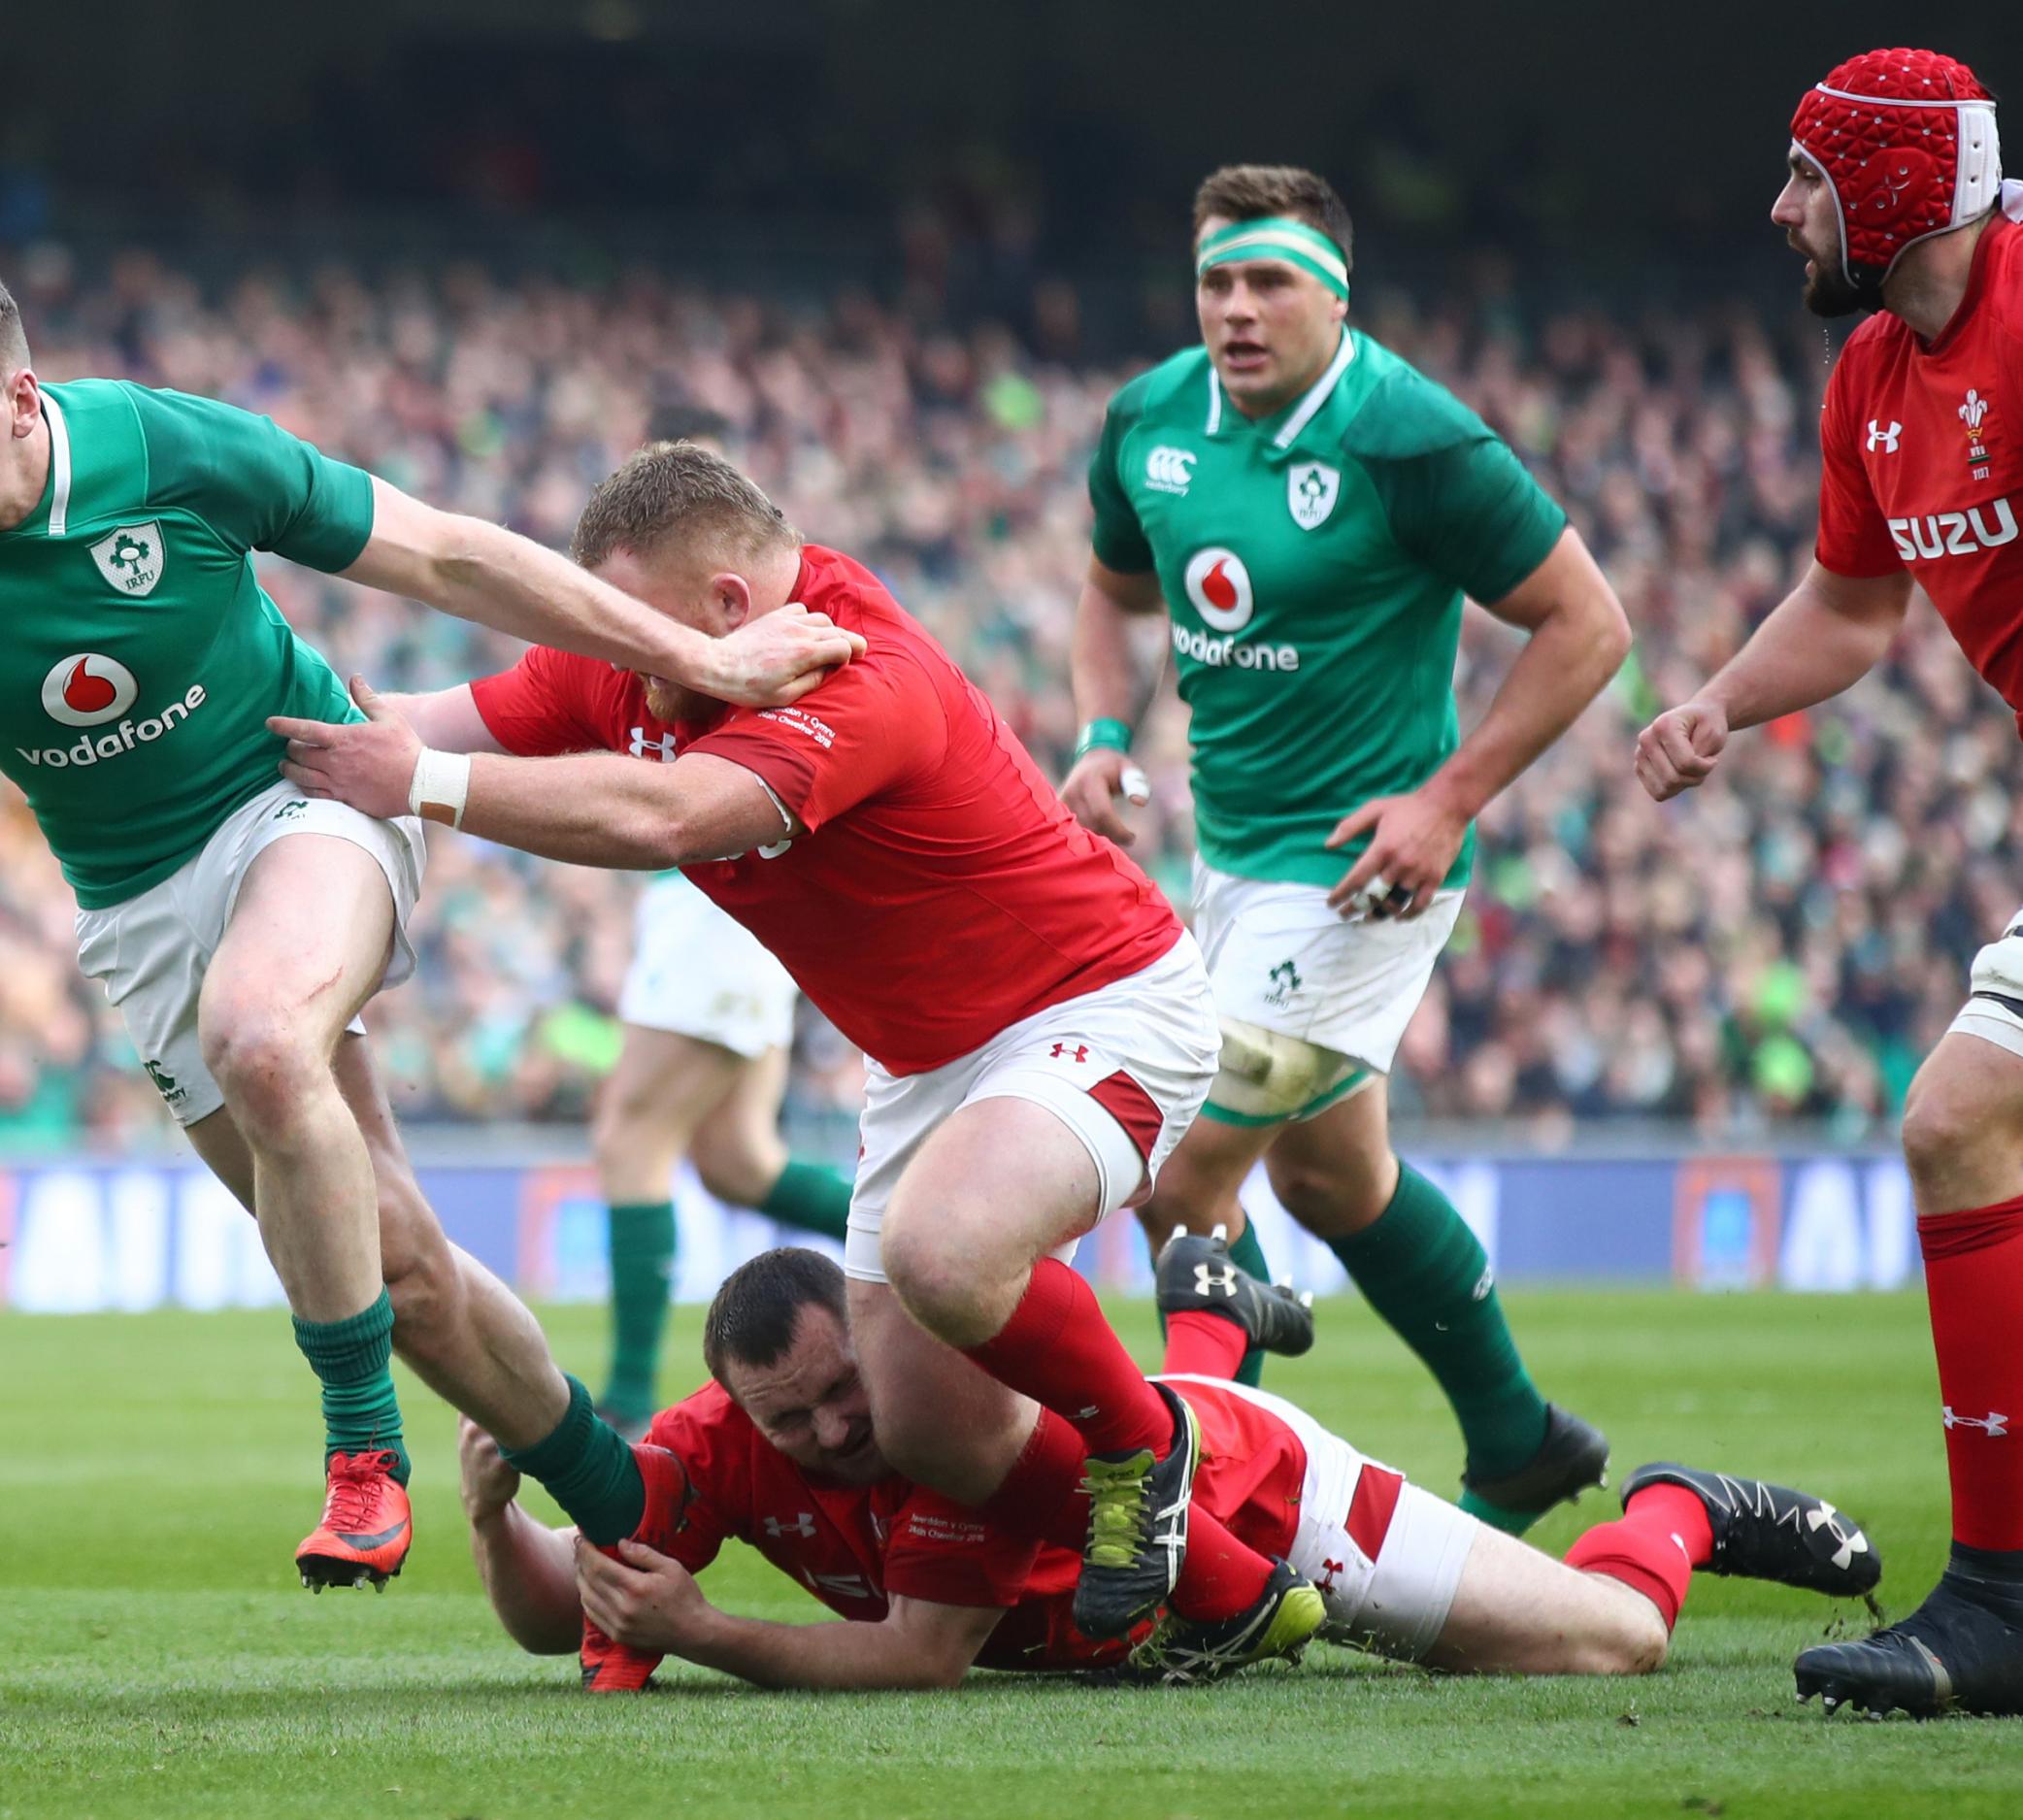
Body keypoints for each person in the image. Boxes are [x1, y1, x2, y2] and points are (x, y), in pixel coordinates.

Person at [0, 254, 858, 1594]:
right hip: (133, 903)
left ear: (22, 396)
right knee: (397, 1263)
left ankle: (363, 1454)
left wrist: (701, 661)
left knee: (260, 1034)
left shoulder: (171, 450)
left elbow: (441, 548)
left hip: (305, 792)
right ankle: (633, 1508)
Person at [274, 441, 1312, 1671]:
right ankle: (1236, 1583)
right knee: (929, 1428)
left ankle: (1150, 1448)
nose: (626, 671)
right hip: (926, 1061)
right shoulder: (626, 657)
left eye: (639, 635)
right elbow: (387, 721)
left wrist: (427, 785)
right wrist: (213, 691)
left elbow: (663, 815)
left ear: (726, 610)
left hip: (1100, 996)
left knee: (945, 1250)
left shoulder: (857, 669)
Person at [1058, 164, 1633, 1531]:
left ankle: (1203, 1514)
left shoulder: (1410, 436)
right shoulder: (1149, 419)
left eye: (1269, 283)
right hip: (1232, 859)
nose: (1238, 311)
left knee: (1181, 1174)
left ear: (1336, 296)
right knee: (1330, 1176)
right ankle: (1517, 1437)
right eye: (1216, 282)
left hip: (1365, 871)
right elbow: (1110, 591)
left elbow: (1589, 622)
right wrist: (1095, 730)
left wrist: (1449, 799)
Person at [1638, 48, 2023, 1720]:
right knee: (1960, 1120)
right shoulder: (1873, 369)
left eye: (1807, 180)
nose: (1780, 210)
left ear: (1887, 194)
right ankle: (2003, 1602)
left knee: (1957, 1118)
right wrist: (1724, 695)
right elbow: (1856, 608)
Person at [462, 1240, 1879, 1691]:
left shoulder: (937, 1415)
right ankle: (1215, 1312)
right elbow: (570, 1615)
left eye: (848, 1389)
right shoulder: (707, 1448)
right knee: (1139, 1405)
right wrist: (491, 1520)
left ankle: (1680, 1504)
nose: (839, 1431)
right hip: (1133, 1507)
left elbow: (921, 1657)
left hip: (1260, 1503)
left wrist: (707, 1628)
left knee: (1610, 1647)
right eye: (794, 1420)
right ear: (730, 1414)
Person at [589, 404, 855, 1436]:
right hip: (714, 903)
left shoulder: (716, 621)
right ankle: (940, 1243)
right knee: (736, 1159)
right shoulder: (714, 604)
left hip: (716, 902)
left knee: (628, 1138)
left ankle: (618, 1399)